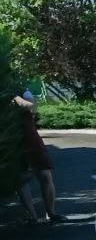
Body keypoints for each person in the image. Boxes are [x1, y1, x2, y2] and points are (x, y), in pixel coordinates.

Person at [11, 91, 65, 224]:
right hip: (12, 143)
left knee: (46, 176)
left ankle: (51, 213)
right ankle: (32, 216)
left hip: (31, 140)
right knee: (21, 180)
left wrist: (15, 96)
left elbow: (32, 107)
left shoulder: (22, 91)